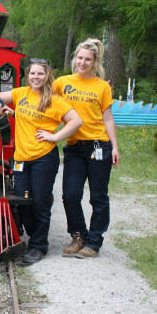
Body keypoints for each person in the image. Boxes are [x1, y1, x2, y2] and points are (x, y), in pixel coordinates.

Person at [0, 59, 82, 264]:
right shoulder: (21, 93)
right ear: (27, 76)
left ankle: (39, 246)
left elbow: (76, 120)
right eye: (32, 74)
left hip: (43, 158)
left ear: (47, 76)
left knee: (40, 202)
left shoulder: (55, 101)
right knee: (22, 202)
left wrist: (56, 137)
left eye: (40, 74)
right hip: (21, 158)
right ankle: (33, 236)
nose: (36, 77)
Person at [53, 38, 120, 259]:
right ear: (75, 59)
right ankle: (79, 235)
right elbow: (46, 104)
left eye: (87, 59)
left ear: (94, 62)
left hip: (99, 145)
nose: (82, 62)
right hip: (73, 147)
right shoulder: (62, 83)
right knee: (70, 195)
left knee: (98, 196)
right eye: (80, 58)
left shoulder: (101, 86)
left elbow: (107, 118)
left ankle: (94, 241)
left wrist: (115, 147)